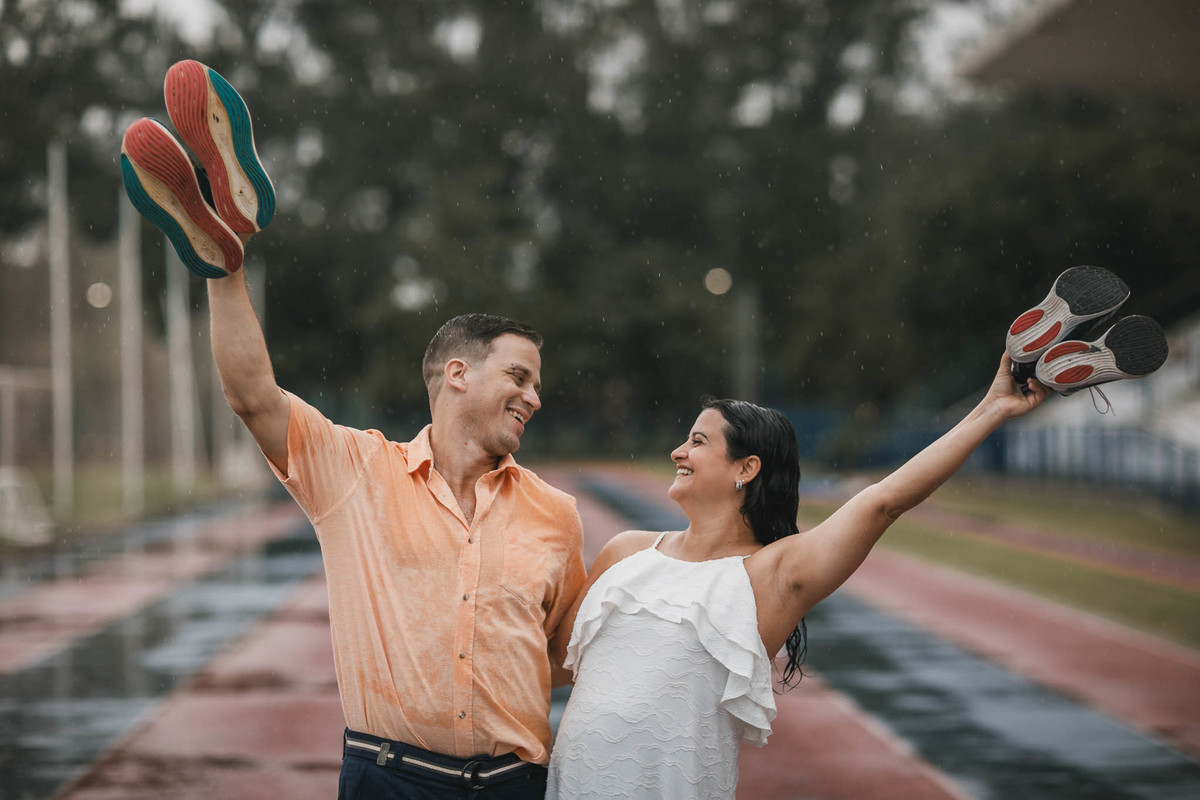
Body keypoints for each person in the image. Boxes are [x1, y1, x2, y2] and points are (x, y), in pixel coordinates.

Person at [121, 60, 586, 799]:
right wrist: (225, 274)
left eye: (537, 384)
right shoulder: (357, 474)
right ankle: (219, 239)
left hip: (514, 783)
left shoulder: (556, 515)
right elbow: (253, 397)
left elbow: (564, 659)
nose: (534, 397)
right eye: (519, 377)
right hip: (389, 777)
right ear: (457, 375)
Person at [545, 353, 1052, 798]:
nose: (678, 452)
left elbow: (882, 502)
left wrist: (992, 409)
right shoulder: (625, 551)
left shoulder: (772, 574)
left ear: (746, 468)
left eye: (697, 441)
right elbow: (554, 669)